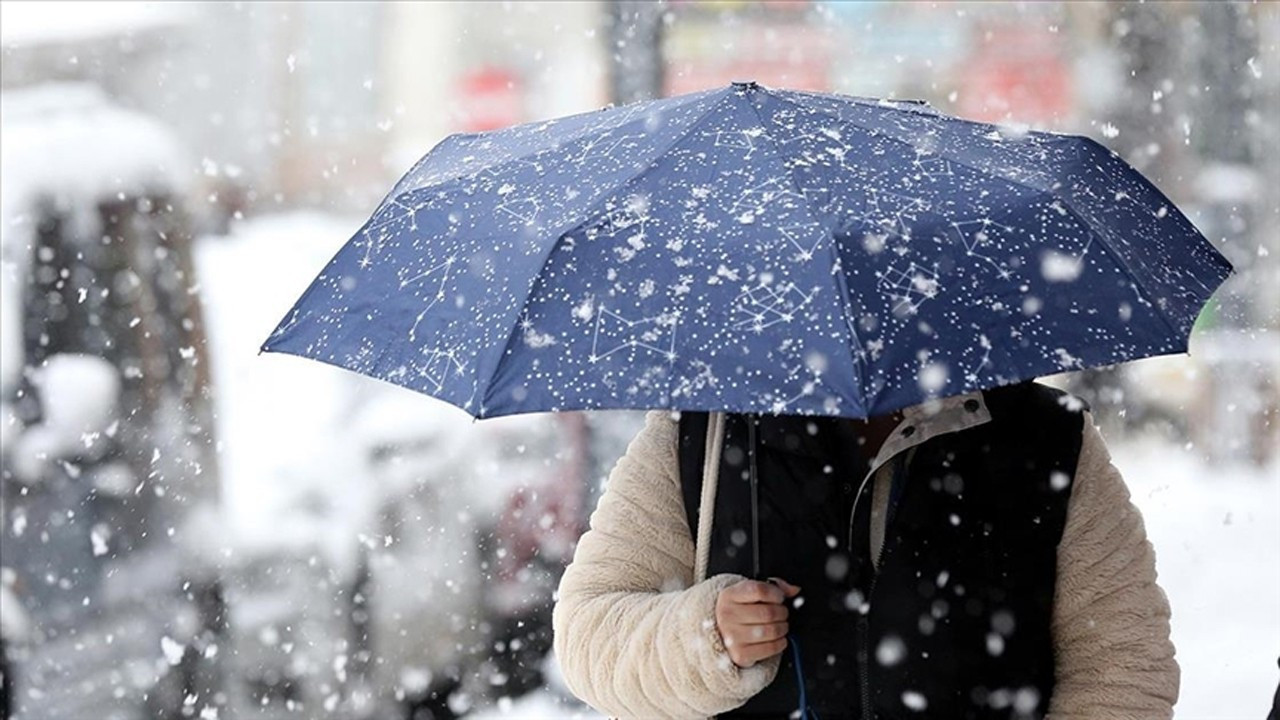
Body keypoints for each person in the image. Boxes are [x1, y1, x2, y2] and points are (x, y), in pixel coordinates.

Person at [552, 381, 1179, 719]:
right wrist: (704, 636)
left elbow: (1122, 669)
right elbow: (588, 634)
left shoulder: (1045, 439)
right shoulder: (705, 433)